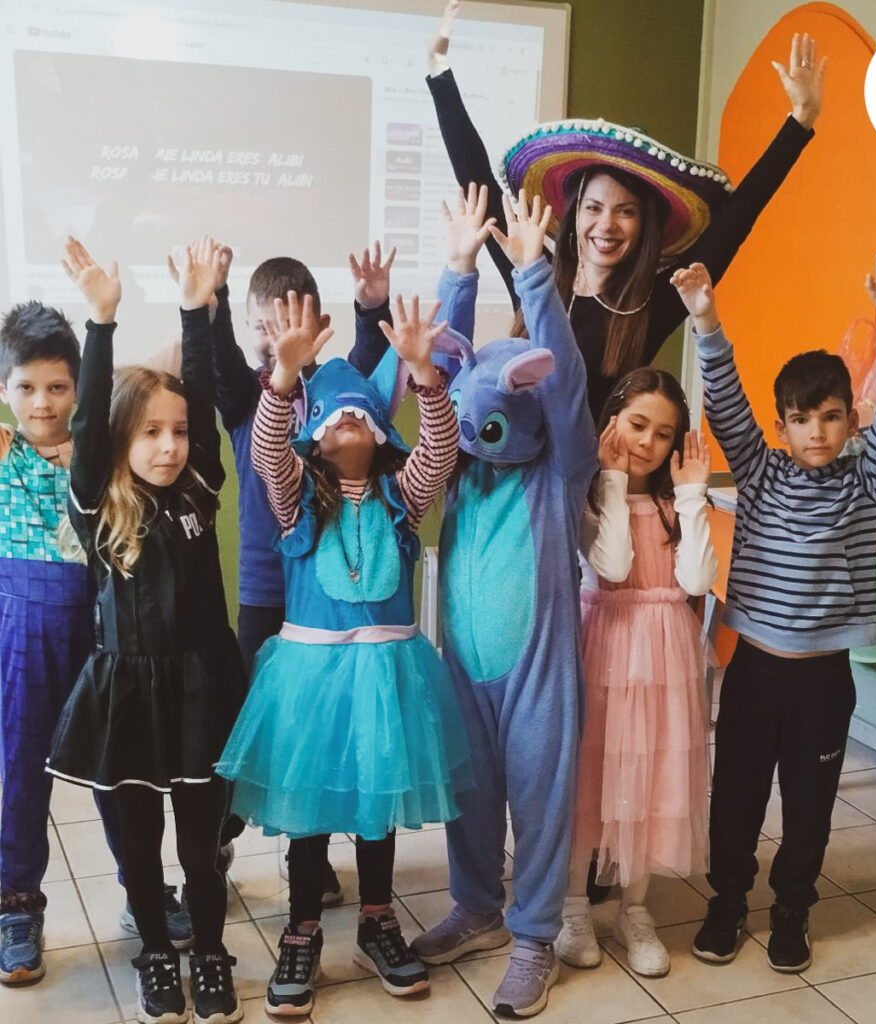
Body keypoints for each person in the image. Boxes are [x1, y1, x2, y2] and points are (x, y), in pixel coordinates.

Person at [215, 289, 472, 1017]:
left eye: (360, 410)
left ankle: (377, 920)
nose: (347, 419)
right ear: (314, 435)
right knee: (309, 808)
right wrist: (283, 378)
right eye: (331, 415)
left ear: (381, 430)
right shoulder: (296, 497)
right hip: (312, 676)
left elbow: (440, 451)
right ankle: (301, 929)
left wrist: (425, 375)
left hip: (387, 674)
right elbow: (267, 451)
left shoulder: (399, 498)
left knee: (376, 803)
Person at [675, 250, 876, 972]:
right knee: (736, 798)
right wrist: (707, 322)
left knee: (810, 805)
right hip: (754, 671)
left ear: (851, 421)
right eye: (802, 419)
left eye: (831, 417)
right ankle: (727, 901)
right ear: (782, 427)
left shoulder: (866, 481)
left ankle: (792, 909)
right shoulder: (759, 470)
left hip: (822, 680)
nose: (817, 431)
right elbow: (725, 402)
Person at [425, 0, 826, 419]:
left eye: (626, 212)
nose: (606, 224)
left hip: (602, 463)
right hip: (514, 459)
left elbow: (738, 218)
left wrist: (800, 120)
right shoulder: (536, 276)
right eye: (594, 207)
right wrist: (439, 73)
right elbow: (479, 181)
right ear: (574, 215)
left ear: (644, 225)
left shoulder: (654, 301)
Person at [48, 237, 247, 1024]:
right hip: (126, 694)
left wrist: (196, 312)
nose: (169, 445)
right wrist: (101, 321)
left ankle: (211, 949)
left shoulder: (198, 489)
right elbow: (90, 418)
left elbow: (200, 397)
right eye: (150, 432)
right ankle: (156, 953)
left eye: (179, 431)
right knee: (137, 844)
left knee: (202, 844)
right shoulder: (98, 504)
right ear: (120, 440)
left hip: (201, 687)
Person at [410, 192, 597, 1018]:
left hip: (538, 676)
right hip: (464, 667)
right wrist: (458, 269)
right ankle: (478, 909)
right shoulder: (460, 469)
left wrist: (533, 275)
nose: (471, 431)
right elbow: (444, 380)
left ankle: (534, 937)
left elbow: (565, 388)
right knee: (470, 793)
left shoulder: (559, 473)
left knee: (540, 799)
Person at [206, 242, 395, 900]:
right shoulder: (247, 398)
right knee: (254, 728)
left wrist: (371, 307)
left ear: (314, 323)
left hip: (327, 597)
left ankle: (308, 860)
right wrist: (216, 295)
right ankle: (217, 841)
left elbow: (370, 359)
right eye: (262, 325)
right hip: (266, 594)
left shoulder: (337, 391)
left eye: (287, 322)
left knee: (322, 734)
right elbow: (221, 362)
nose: (275, 337)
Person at [556, 374, 717, 977]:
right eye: (638, 425)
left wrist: (694, 495)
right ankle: (574, 907)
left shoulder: (679, 504)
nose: (648, 442)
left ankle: (635, 909)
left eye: (664, 433)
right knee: (591, 776)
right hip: (606, 644)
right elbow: (615, 567)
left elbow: (696, 581)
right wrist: (614, 479)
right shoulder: (593, 498)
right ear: (612, 422)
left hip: (666, 654)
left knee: (653, 778)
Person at [0, 302, 95, 984]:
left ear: (79, 389)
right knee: (21, 773)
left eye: (58, 386)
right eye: (27, 386)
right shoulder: (2, 453)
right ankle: (15, 905)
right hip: (20, 639)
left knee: (119, 770)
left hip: (101, 633)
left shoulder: (102, 453)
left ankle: (145, 890)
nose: (42, 402)